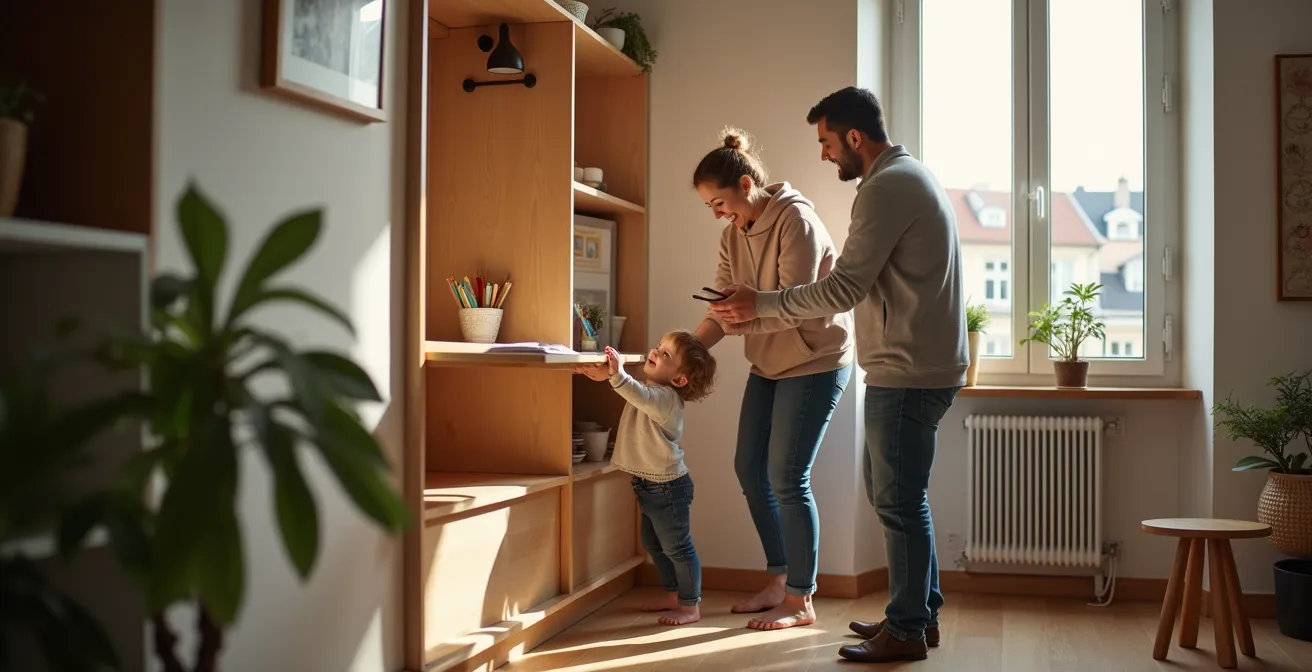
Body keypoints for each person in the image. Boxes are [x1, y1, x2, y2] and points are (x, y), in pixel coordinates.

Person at [708, 87, 967, 663]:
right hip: (912, 363)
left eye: (826, 142)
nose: (824, 155)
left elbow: (842, 290)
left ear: (854, 137)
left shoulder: (886, 187)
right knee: (894, 495)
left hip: (908, 368)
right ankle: (916, 617)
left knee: (897, 500)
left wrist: (760, 305)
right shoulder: (904, 177)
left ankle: (906, 628)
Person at [690, 128, 854, 630]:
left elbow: (793, 305)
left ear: (746, 184)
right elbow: (723, 311)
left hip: (815, 359)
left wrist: (739, 316)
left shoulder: (795, 221)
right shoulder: (730, 234)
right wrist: (686, 351)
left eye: (720, 202)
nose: (717, 213)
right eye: (710, 206)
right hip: (769, 362)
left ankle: (801, 600)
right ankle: (781, 578)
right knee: (748, 468)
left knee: (787, 477)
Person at [575, 333, 717, 625]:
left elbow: (638, 394)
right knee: (652, 543)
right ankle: (674, 593)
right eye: (660, 346)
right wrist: (611, 375)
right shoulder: (653, 391)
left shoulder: (666, 399)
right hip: (650, 485)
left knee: (678, 547)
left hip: (667, 488)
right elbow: (636, 391)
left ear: (679, 380)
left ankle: (690, 605)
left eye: (666, 354)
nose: (656, 350)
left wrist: (618, 374)